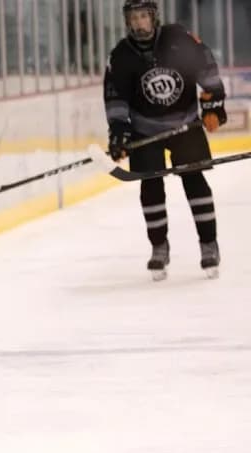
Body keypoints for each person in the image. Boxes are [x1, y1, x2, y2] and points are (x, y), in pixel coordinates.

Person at [103, 0, 226, 280]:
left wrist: (214, 104)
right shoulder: (121, 55)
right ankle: (159, 246)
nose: (139, 23)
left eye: (144, 17)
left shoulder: (178, 38)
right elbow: (115, 97)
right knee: (151, 188)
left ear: (154, 17)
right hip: (146, 129)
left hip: (185, 124)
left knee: (194, 180)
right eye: (133, 18)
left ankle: (209, 243)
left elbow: (205, 66)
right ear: (127, 21)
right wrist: (119, 130)